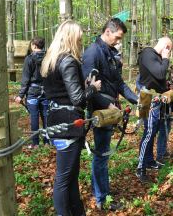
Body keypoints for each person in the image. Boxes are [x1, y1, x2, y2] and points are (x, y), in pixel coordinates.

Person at [41, 20, 101, 216]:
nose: (81, 42)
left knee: (70, 176)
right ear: (72, 38)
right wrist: (93, 88)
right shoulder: (67, 60)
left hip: (56, 120)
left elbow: (60, 91)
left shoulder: (52, 59)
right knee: (64, 178)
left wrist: (82, 85)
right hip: (68, 123)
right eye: (79, 38)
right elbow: (77, 99)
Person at [82, 18, 138, 211]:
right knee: (101, 155)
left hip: (111, 108)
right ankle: (102, 198)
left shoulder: (111, 53)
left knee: (103, 154)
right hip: (102, 110)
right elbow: (89, 88)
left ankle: (98, 190)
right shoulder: (92, 53)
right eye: (117, 37)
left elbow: (119, 83)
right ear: (107, 32)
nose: (118, 41)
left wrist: (136, 100)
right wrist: (107, 104)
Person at [136, 37, 172, 183]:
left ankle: (149, 160)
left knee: (153, 131)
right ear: (165, 46)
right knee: (149, 132)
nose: (170, 53)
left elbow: (160, 78)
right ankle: (140, 168)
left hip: (157, 101)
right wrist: (165, 58)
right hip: (149, 100)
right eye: (170, 49)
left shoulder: (154, 56)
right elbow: (160, 73)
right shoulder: (147, 54)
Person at [15, 36, 48, 148]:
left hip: (33, 92)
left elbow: (25, 79)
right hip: (46, 92)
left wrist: (20, 95)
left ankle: (35, 143)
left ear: (34, 46)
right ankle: (47, 142)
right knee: (46, 117)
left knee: (34, 117)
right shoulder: (48, 58)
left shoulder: (29, 59)